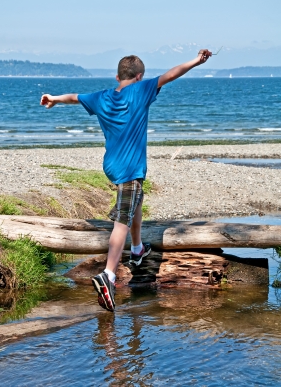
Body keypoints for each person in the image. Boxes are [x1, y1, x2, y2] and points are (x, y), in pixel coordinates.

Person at [40, 49, 212, 312]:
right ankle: (108, 274)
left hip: (112, 165)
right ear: (139, 76)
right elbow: (171, 74)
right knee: (122, 217)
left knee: (135, 201)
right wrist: (196, 61)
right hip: (130, 167)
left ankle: (137, 248)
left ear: (117, 75)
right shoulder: (142, 90)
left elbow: (75, 97)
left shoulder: (102, 97)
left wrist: (53, 99)